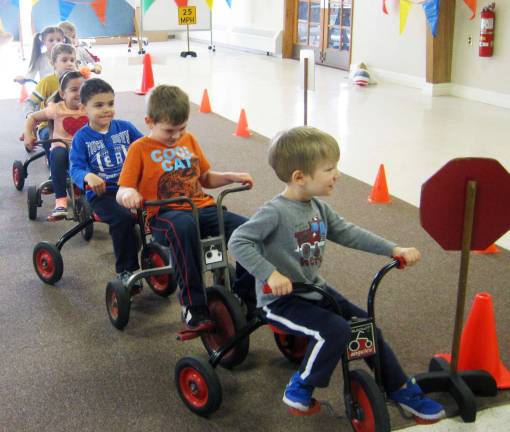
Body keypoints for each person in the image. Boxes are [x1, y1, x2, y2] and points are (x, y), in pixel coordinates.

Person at [228, 126, 445, 421]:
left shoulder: (317, 206)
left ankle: (399, 389)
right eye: (329, 168)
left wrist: (392, 248)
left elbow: (347, 232)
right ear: (299, 177)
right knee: (336, 330)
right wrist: (270, 274)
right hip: (279, 301)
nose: (337, 174)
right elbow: (238, 241)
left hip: (315, 291)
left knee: (365, 326)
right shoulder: (275, 212)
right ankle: (300, 385)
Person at [116, 85, 255, 331]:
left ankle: (246, 296)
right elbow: (123, 189)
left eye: (182, 129)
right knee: (185, 226)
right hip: (164, 214)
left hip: (201, 206)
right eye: (169, 130)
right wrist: (129, 194)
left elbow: (206, 178)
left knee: (249, 230)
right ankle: (193, 305)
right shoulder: (139, 149)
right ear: (149, 121)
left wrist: (230, 177)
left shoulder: (189, 141)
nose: (176, 136)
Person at [69, 78, 143, 285]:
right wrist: (87, 176)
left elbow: (145, 146)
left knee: (158, 208)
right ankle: (127, 270)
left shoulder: (125, 128)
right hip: (104, 194)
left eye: (110, 103)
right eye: (99, 105)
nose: (107, 109)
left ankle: (158, 254)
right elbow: (75, 167)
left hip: (130, 187)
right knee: (123, 219)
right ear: (84, 108)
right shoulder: (81, 138)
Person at [24, 71, 86, 220]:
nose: (79, 93)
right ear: (62, 94)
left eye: (83, 89)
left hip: (83, 148)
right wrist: (28, 134)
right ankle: (60, 200)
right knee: (58, 154)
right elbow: (33, 117)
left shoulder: (89, 107)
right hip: (62, 146)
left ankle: (91, 195)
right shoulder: (56, 108)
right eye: (74, 90)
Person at [23, 43, 77, 139]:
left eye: (72, 60)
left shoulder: (78, 80)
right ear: (53, 63)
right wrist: (30, 116)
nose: (70, 64)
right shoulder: (47, 82)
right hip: (49, 125)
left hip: (74, 121)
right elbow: (30, 102)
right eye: (64, 60)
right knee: (53, 139)